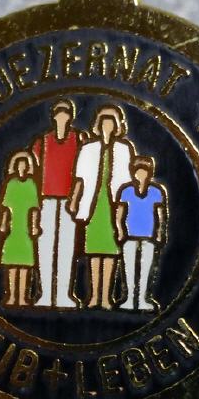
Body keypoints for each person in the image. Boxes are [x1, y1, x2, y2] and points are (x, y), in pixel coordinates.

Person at [69, 104, 135, 309]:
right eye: (104, 123)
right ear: (98, 125)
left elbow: (128, 181)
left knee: (111, 252)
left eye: (111, 123)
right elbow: (79, 179)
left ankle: (106, 297)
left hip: (114, 205)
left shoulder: (124, 149)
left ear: (116, 126)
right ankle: (93, 296)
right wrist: (74, 200)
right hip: (93, 206)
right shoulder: (88, 148)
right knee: (93, 251)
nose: (107, 126)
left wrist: (126, 206)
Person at [29, 99, 82, 308]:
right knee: (45, 246)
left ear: (70, 117)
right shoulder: (41, 143)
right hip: (46, 200)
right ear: (54, 117)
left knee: (67, 246)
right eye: (59, 114)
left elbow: (82, 175)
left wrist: (76, 199)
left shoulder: (79, 140)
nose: (62, 118)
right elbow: (34, 173)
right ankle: (44, 294)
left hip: (69, 201)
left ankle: (63, 294)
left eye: (65, 114)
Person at [116, 156, 167, 312]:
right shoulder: (126, 191)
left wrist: (159, 232)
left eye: (144, 172)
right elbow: (119, 213)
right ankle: (129, 299)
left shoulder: (156, 191)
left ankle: (143, 299)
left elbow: (160, 215)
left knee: (145, 269)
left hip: (148, 237)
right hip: (129, 236)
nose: (141, 175)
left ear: (149, 173)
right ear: (134, 173)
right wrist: (120, 230)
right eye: (138, 172)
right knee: (129, 268)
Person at [0, 151, 41, 307]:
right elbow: (6, 208)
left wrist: (34, 226)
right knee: (12, 264)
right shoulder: (11, 184)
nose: (21, 169)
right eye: (19, 166)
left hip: (25, 229)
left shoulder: (31, 185)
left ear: (27, 168)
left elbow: (34, 209)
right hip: (13, 229)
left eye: (24, 166)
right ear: (15, 167)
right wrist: (3, 223)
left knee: (24, 265)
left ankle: (22, 297)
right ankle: (11, 296)